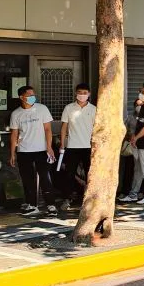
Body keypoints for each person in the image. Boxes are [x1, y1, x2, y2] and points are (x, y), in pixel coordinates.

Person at [8, 85, 57, 216]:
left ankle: (51, 205)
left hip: (42, 150)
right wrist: (12, 153)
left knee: (45, 178)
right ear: (21, 97)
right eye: (29, 95)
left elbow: (48, 129)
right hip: (24, 151)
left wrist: (49, 147)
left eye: (33, 95)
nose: (32, 97)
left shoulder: (42, 109)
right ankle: (32, 205)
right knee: (27, 180)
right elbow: (14, 134)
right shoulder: (16, 113)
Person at [59, 83, 96, 211]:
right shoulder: (69, 108)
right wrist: (62, 144)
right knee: (69, 174)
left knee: (90, 174)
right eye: (80, 92)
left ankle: (89, 200)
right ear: (76, 93)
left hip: (88, 147)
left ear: (89, 94)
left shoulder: (94, 109)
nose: (82, 95)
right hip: (72, 146)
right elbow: (64, 127)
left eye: (85, 93)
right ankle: (67, 199)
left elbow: (97, 129)